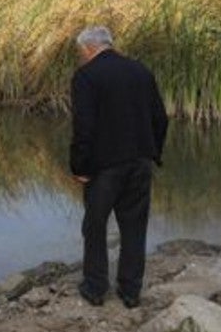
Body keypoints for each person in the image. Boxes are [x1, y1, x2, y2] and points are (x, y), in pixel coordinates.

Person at [69, 26, 168, 308]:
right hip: (140, 162)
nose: (81, 57)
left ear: (88, 48)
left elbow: (84, 127)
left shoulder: (86, 76)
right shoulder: (141, 71)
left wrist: (79, 167)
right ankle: (131, 291)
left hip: (104, 168)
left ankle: (95, 288)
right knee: (134, 226)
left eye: (80, 52)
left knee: (95, 225)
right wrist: (153, 152)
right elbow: (160, 118)